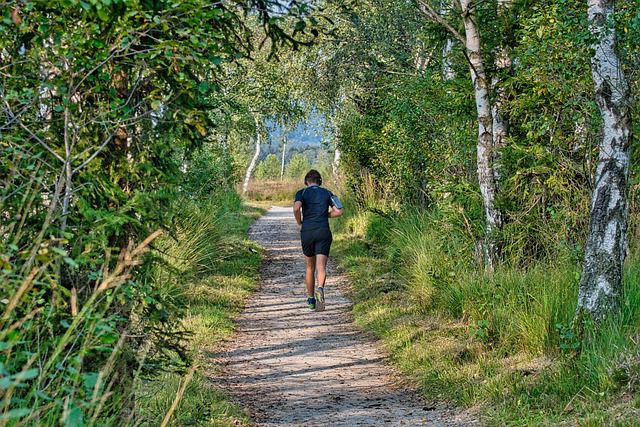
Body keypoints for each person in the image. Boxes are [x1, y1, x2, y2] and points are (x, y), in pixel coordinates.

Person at [293, 169, 343, 311]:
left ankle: (311, 300)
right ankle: (320, 288)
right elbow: (339, 211)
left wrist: (299, 222)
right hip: (323, 231)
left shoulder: (301, 193)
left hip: (307, 231)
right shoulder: (328, 193)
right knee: (321, 267)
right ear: (320, 182)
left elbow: (296, 208)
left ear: (306, 182)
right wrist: (325, 214)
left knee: (310, 267)